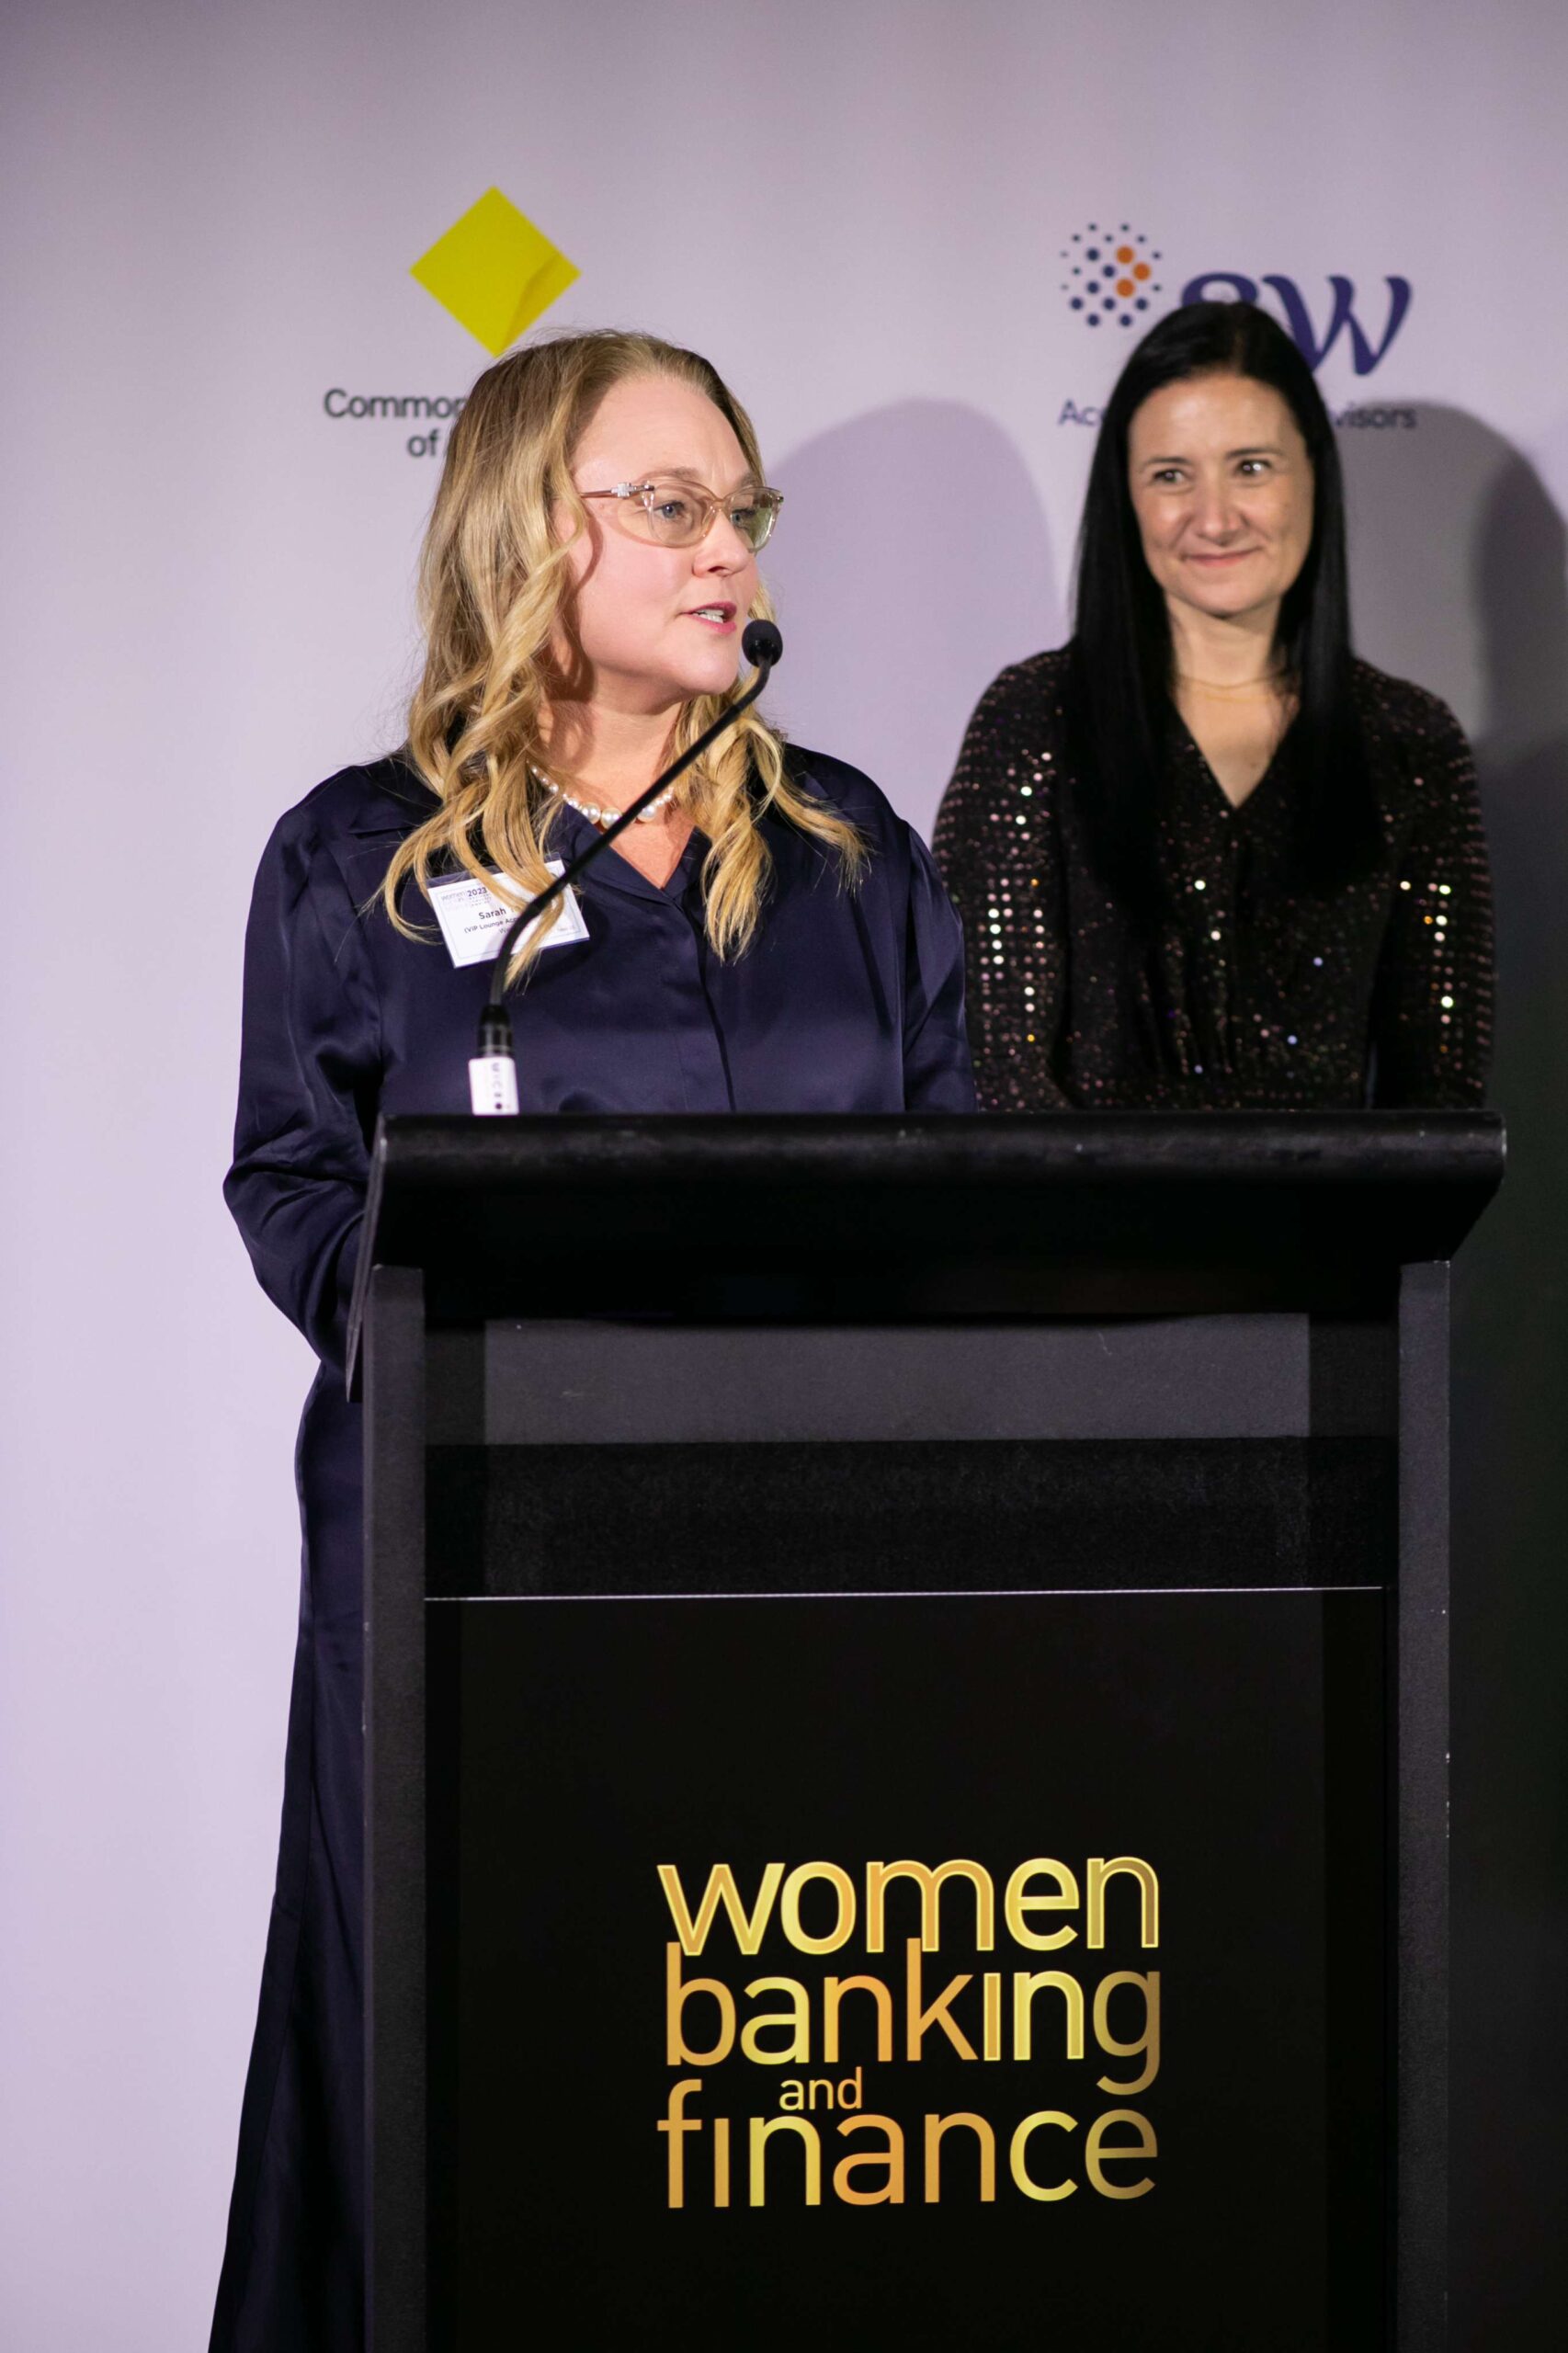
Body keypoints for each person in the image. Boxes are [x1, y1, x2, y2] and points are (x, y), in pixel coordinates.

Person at [211, 328, 974, 2351]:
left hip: (804, 1561)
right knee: (486, 2076)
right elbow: (291, 1177)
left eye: (743, 511)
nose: (730, 551)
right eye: (674, 507)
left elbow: (958, 1172)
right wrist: (446, 1323)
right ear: (525, 535)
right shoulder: (363, 857)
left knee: (776, 2103)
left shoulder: (849, 850)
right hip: (475, 1555)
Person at [933, 300, 1494, 1109]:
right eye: (1171, 475)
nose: (1216, 518)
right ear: (1126, 497)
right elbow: (992, 1072)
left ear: (1314, 475)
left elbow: (1441, 1106)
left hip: (1339, 1203)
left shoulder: (1410, 741)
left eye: (1252, 467)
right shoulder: (1033, 718)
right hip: (1075, 1199)